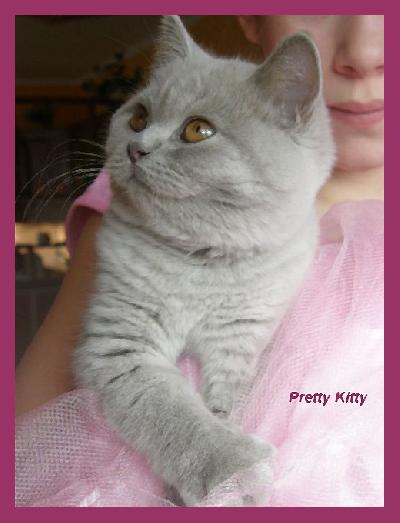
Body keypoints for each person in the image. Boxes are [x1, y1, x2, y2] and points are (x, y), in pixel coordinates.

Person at [15, 16, 384, 507]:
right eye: (140, 119)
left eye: (197, 129)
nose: (363, 53)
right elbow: (34, 432)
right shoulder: (139, 201)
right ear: (250, 17)